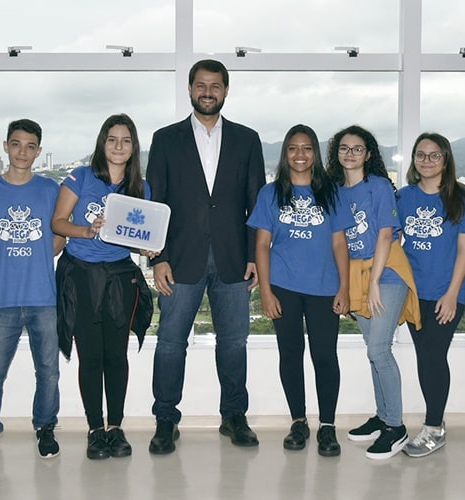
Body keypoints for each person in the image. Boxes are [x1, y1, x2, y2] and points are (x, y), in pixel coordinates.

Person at [146, 59, 266, 454]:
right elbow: (156, 202)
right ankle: (165, 421)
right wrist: (157, 258)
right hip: (179, 259)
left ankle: (234, 417)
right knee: (169, 343)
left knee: (234, 343)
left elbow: (256, 203)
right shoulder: (165, 139)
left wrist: (253, 254)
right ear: (190, 89)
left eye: (215, 85)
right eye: (201, 85)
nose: (208, 92)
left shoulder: (248, 140)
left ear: (226, 90)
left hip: (234, 258)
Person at [52, 114, 154, 460]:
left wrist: (149, 247)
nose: (119, 146)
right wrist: (87, 230)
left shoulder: (140, 187)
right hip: (80, 274)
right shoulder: (80, 177)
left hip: (119, 278)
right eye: (112, 139)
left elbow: (139, 239)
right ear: (102, 142)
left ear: (133, 147)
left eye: (126, 140)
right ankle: (95, 429)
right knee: (90, 356)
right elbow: (58, 222)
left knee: (117, 356)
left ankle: (116, 427)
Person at [248, 124, 353, 457]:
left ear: (315, 154)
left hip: (324, 288)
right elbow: (261, 246)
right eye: (293, 148)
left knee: (324, 356)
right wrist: (265, 292)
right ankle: (297, 421)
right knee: (290, 354)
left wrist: (345, 288)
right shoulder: (270, 193)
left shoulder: (331, 193)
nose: (300, 154)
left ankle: (327, 427)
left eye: (307, 148)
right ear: (285, 154)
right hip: (284, 286)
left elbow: (340, 243)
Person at [0, 119, 64, 463]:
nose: (23, 151)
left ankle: (46, 427)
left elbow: (59, 238)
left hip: (42, 298)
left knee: (48, 370)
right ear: (5, 146)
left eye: (31, 145)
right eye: (17, 144)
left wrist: (30, 255)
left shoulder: (50, 190)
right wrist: (13, 255)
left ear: (39, 150)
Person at [326, 125, 420, 460]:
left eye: (357, 148)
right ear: (337, 153)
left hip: (387, 272)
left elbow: (384, 235)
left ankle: (396, 426)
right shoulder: (335, 190)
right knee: (373, 350)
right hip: (356, 273)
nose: (350, 154)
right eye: (344, 148)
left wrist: (375, 282)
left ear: (369, 154)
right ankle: (383, 416)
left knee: (379, 350)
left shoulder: (378, 186)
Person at [396, 133, 465, 457]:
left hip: (448, 292)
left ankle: (434, 428)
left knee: (433, 355)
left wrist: (452, 293)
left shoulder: (464, 199)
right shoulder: (403, 198)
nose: (426, 160)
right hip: (414, 293)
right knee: (425, 357)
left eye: (434, 155)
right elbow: (393, 241)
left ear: (446, 159)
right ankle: (434, 424)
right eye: (420, 154)